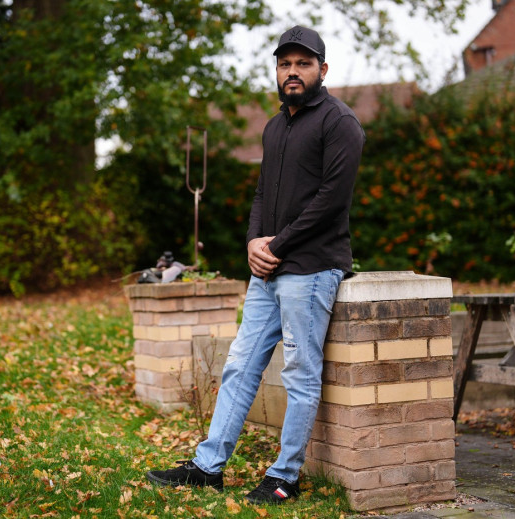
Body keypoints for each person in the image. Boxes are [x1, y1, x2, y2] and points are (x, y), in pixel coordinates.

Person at [145, 25, 365, 505]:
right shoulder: (274, 125)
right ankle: (208, 467)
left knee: (300, 373)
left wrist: (278, 244)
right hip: (268, 270)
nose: (292, 71)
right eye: (285, 63)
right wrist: (251, 242)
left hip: (310, 269)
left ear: (322, 70)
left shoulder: (339, 122)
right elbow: (263, 193)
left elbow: (332, 200)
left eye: (303, 64)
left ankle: (285, 474)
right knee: (240, 366)